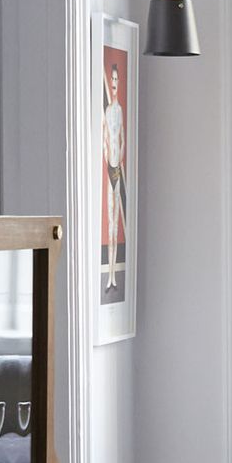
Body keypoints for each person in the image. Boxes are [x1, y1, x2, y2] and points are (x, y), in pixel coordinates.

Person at [102, 61, 129, 299]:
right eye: (110, 81)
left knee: (114, 226)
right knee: (110, 224)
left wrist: (117, 161)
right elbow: (105, 139)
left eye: (115, 80)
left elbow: (121, 140)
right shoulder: (108, 112)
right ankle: (110, 276)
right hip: (110, 167)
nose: (112, 84)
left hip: (116, 170)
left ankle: (112, 275)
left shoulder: (118, 111)